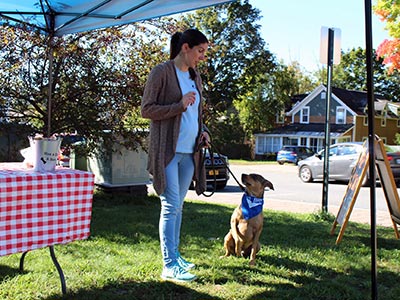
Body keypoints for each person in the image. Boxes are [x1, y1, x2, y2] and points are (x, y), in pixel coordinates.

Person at [141, 29, 210, 283]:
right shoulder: (161, 72)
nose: (202, 57)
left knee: (178, 207)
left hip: (189, 152)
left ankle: (176, 256)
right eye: (200, 51)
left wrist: (203, 131)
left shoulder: (195, 76)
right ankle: (169, 265)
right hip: (167, 151)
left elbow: (196, 115)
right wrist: (177, 106)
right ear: (186, 48)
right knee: (170, 206)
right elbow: (146, 110)